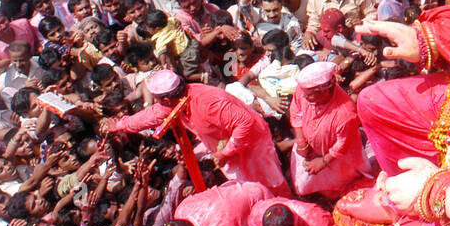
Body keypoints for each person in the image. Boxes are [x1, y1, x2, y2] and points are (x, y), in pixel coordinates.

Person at [102, 69, 289, 194]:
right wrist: (120, 125)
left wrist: (225, 152)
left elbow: (245, 123)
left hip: (253, 143)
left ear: (165, 98)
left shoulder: (208, 102)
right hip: (227, 147)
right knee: (252, 189)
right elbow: (151, 115)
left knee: (272, 182)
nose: (157, 102)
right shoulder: (174, 101)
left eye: (157, 99)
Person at [289, 61, 372, 198]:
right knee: (306, 182)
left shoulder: (345, 113)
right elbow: (296, 109)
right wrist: (301, 141)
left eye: (309, 95)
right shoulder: (303, 89)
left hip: (338, 157)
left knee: (340, 185)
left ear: (325, 91)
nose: (305, 97)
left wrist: (324, 161)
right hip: (309, 148)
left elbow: (342, 144)